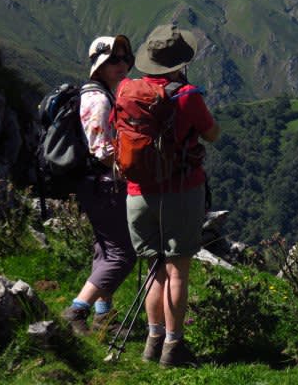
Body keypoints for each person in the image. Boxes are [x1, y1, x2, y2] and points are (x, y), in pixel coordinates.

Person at [123, 24, 220, 367]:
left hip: (137, 193)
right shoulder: (187, 95)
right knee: (178, 272)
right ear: (182, 62)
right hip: (180, 190)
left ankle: (152, 341)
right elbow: (212, 134)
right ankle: (173, 347)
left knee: (155, 270)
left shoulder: (129, 92)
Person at [61, 35, 137, 334]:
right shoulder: (99, 100)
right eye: (114, 60)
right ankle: (77, 309)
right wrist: (133, 167)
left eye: (125, 58)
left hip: (94, 185)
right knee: (123, 254)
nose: (122, 65)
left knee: (106, 251)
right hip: (104, 185)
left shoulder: (99, 94)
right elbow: (102, 152)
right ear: (99, 65)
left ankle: (103, 316)